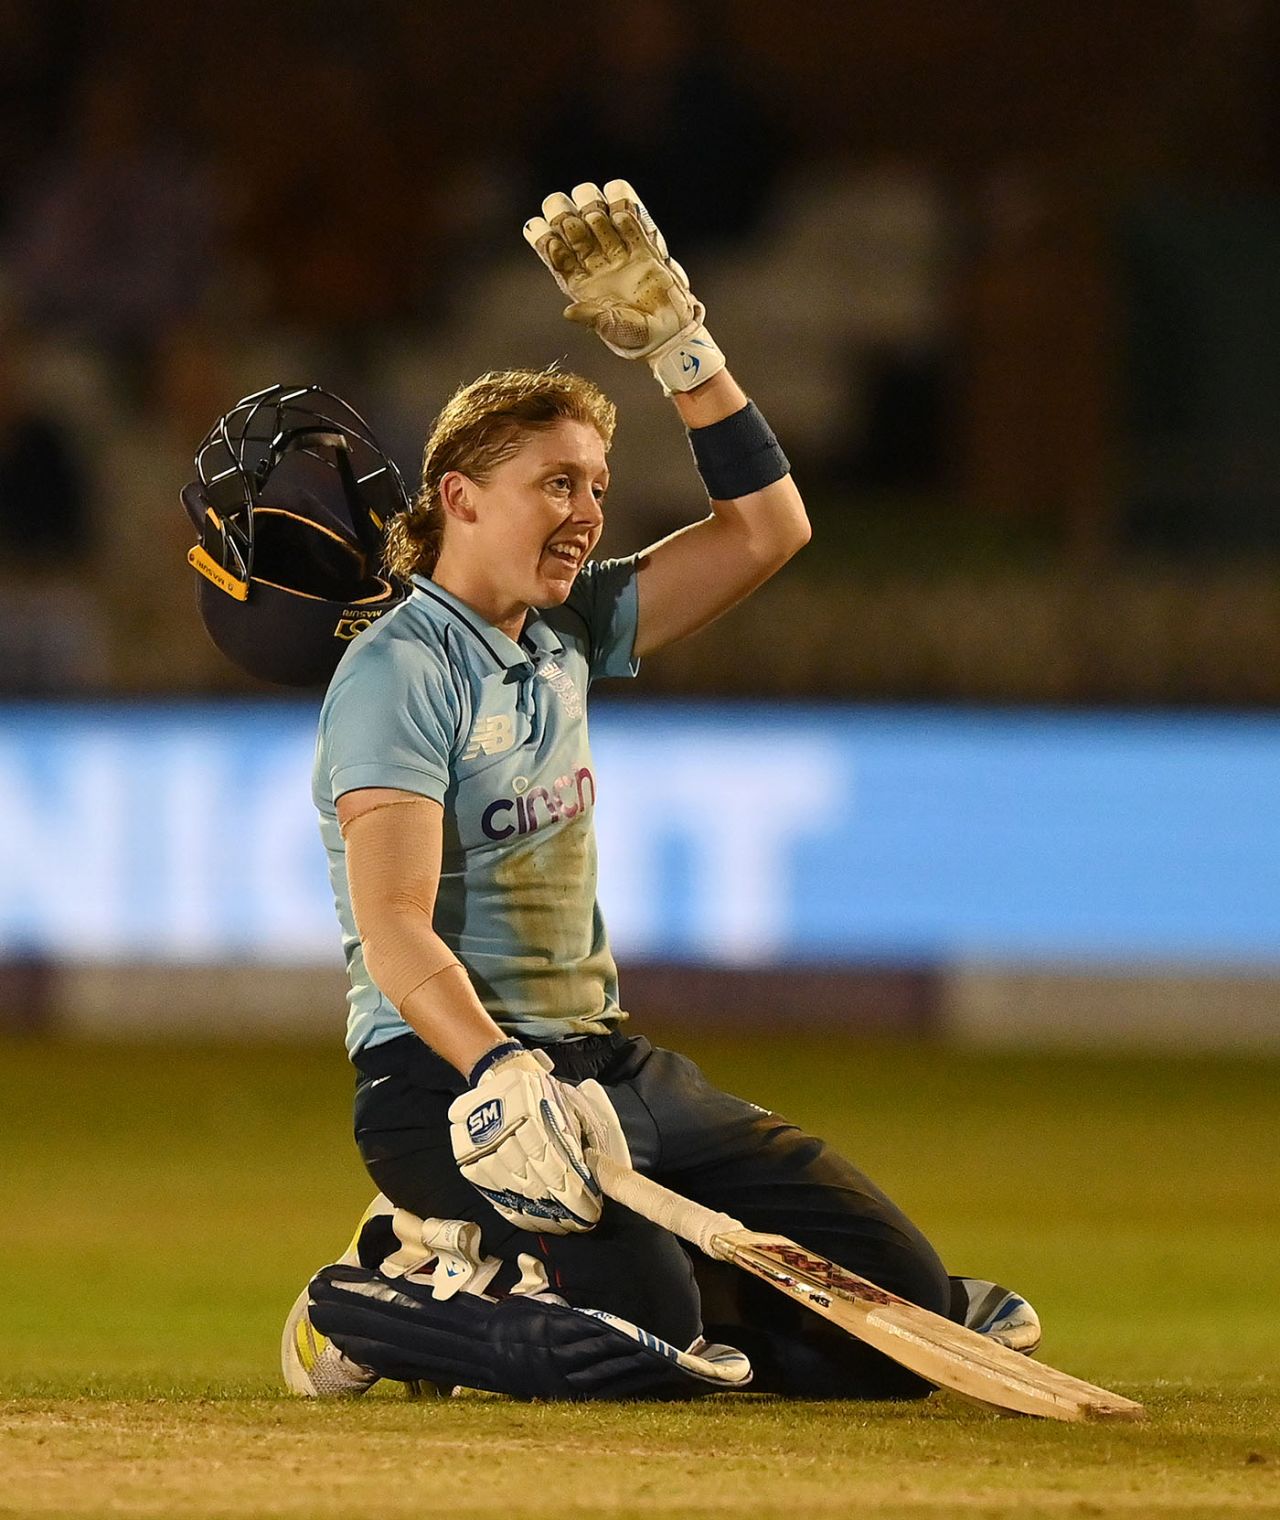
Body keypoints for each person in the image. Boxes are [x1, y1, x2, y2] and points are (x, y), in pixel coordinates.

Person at [281, 181, 1040, 1402]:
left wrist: (684, 350)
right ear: (459, 497)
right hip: (445, 1083)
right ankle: (381, 1289)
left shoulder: (566, 627)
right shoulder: (399, 670)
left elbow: (767, 530)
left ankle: (568, 1282)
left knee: (891, 1311)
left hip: (604, 1064)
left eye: (594, 483)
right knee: (641, 1331)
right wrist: (496, 1071)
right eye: (556, 483)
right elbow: (394, 926)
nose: (588, 512)